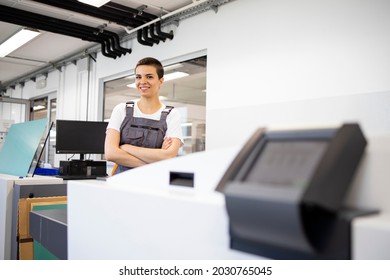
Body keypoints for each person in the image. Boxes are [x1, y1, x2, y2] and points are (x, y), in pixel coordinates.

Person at [105, 57, 183, 174]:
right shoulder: (121, 109)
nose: (142, 81)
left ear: (161, 81)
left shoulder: (172, 115)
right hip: (121, 184)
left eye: (149, 76)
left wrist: (126, 148)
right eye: (138, 77)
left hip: (153, 184)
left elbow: (169, 157)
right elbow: (111, 153)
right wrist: (156, 159)